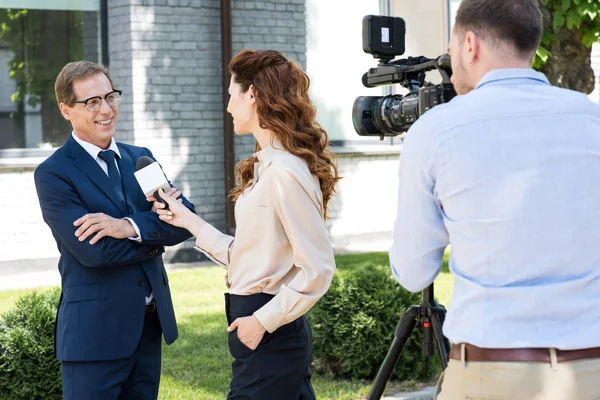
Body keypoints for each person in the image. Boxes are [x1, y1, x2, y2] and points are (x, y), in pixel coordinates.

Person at [388, 0, 600, 399]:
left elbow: (414, 272)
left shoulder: (436, 131)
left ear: (469, 44)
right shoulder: (593, 118)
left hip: (491, 373)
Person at [152, 49, 339, 399]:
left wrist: (261, 323)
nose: (227, 107)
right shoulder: (268, 167)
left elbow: (318, 268)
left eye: (230, 96)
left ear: (251, 95)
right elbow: (252, 256)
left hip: (268, 330)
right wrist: (188, 220)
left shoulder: (284, 173)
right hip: (263, 329)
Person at [34, 61, 195, 400]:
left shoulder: (141, 160)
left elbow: (184, 220)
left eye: (110, 97)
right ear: (66, 109)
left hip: (149, 327)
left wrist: (126, 227)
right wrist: (153, 232)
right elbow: (94, 251)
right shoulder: (54, 173)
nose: (106, 109)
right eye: (91, 102)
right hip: (94, 335)